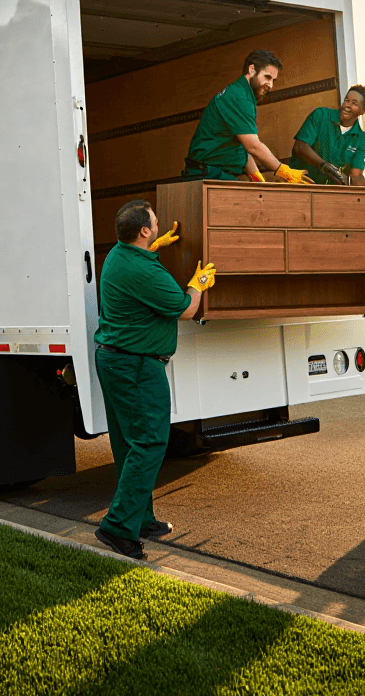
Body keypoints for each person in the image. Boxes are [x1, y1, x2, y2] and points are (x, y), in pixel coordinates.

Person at [93, 199, 216, 560]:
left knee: (130, 444)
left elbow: (139, 265)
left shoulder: (118, 255)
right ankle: (117, 528)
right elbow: (185, 308)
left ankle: (141, 518)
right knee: (149, 442)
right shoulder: (145, 273)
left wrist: (154, 250)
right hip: (136, 368)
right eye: (155, 224)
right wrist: (199, 284)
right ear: (144, 230)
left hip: (116, 361)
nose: (160, 225)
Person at [183, 49, 312, 184]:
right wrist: (284, 171)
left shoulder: (242, 94)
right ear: (252, 70)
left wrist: (257, 179)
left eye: (274, 80)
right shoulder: (240, 97)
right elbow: (253, 146)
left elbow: (243, 147)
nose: (271, 85)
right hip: (207, 174)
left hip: (213, 173)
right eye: (267, 77)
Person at [285, 85, 365, 185]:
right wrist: (323, 165)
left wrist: (362, 198)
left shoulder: (361, 139)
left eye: (354, 103)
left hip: (326, 191)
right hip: (298, 185)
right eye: (347, 100)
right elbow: (300, 146)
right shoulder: (320, 115)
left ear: (363, 111)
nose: (347, 105)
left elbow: (357, 175)